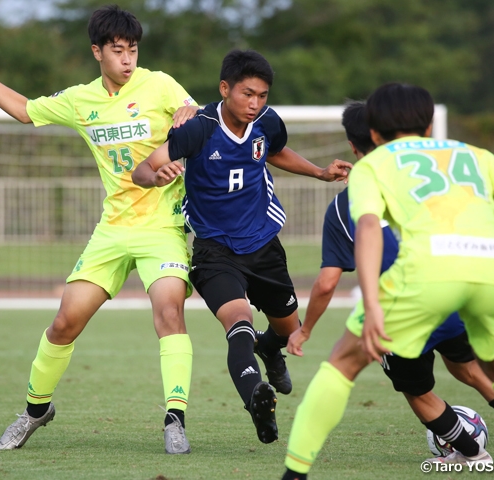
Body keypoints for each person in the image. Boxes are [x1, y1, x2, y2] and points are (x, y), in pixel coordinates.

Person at [0, 4, 200, 454]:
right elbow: (23, 110)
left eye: (132, 50)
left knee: (168, 313)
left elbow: (193, 111)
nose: (126, 59)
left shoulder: (159, 83)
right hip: (112, 229)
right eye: (117, 50)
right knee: (64, 323)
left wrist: (187, 118)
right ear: (97, 52)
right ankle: (35, 410)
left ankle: (174, 420)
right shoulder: (81, 100)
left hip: (163, 226)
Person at [281, 83, 494, 480]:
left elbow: (368, 226)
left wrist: (372, 304)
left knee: (342, 363)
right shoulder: (472, 154)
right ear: (428, 122)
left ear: (371, 134)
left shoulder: (374, 166)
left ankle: (294, 473)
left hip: (426, 275)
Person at [132, 49, 352, 444]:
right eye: (247, 94)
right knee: (239, 325)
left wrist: (319, 172)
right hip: (215, 253)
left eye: (263, 95)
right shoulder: (198, 128)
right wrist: (156, 174)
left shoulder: (267, 122)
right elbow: (142, 169)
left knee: (288, 330)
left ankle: (272, 351)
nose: (255, 104)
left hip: (264, 246)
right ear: (224, 89)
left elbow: (276, 151)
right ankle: (257, 400)